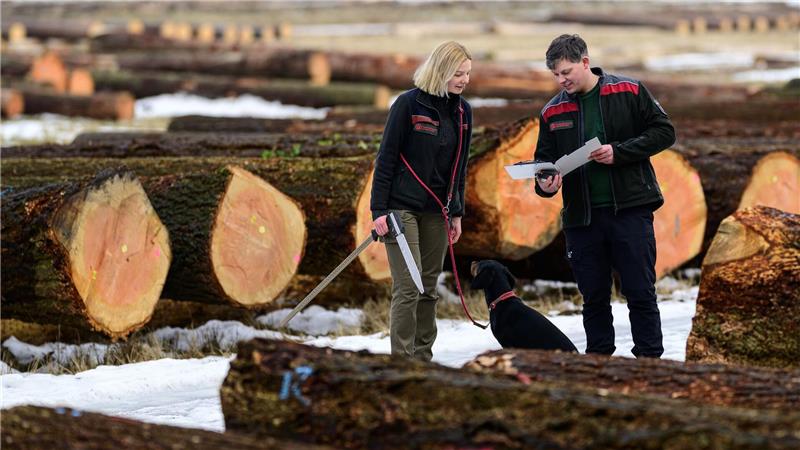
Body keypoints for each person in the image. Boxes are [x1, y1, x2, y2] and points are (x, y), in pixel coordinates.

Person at [533, 34, 675, 358]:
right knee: (593, 298)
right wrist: (545, 184)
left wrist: (620, 152)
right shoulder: (552, 112)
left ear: (585, 62)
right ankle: (598, 363)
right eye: (555, 75)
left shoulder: (629, 90)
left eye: (566, 71)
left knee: (640, 292)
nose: (561, 80)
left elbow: (665, 132)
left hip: (630, 210)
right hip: (581, 218)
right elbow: (543, 163)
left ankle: (650, 364)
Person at [370, 41, 472, 361]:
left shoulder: (463, 111)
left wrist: (456, 212)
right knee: (408, 287)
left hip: (438, 212)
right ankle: (401, 362)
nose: (464, 80)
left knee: (429, 288)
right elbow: (385, 159)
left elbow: (460, 166)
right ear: (440, 71)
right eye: (457, 73)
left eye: (467, 74)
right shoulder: (408, 105)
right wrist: (379, 210)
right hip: (401, 209)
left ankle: (422, 359)